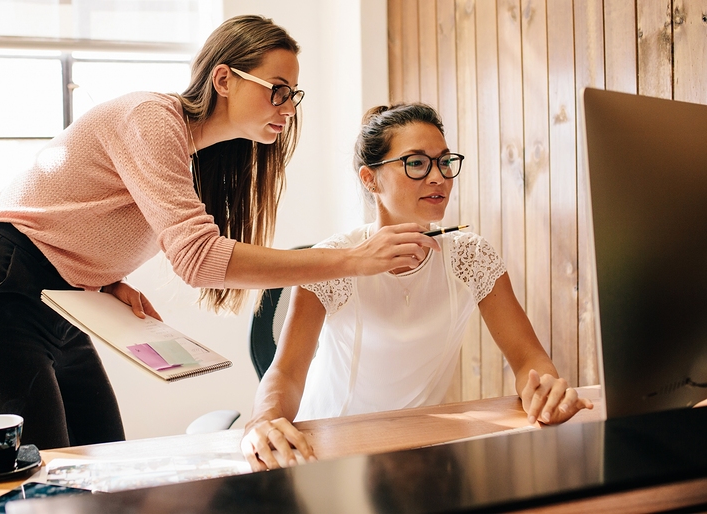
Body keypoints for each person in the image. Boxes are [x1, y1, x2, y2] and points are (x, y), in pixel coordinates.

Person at [0, 16, 436, 451]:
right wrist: (353, 259)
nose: (288, 107)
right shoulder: (151, 118)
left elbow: (81, 213)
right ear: (223, 78)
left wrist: (103, 278)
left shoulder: (196, 154)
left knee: (105, 466)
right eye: (277, 90)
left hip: (65, 302)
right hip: (0, 295)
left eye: (294, 95)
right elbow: (199, 260)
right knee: (33, 484)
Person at [241, 103, 594, 471]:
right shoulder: (332, 260)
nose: (438, 177)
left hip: (418, 448)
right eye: (416, 163)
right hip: (327, 447)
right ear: (370, 179)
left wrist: (545, 389)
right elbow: (285, 373)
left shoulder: (472, 258)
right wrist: (262, 419)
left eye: (444, 161)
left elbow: (529, 359)